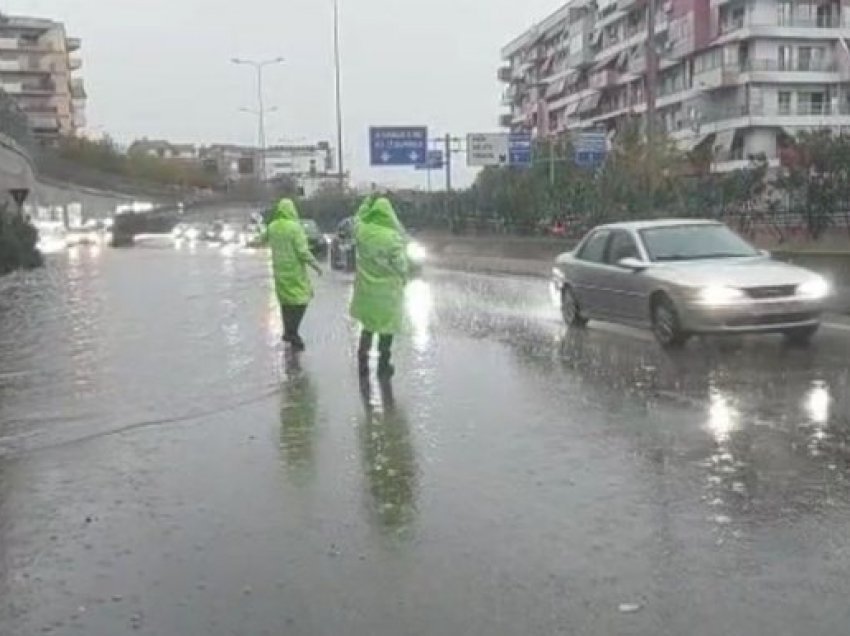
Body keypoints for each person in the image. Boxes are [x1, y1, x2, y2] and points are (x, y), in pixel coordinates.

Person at [351, 197, 408, 378]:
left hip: (366, 289)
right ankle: (383, 365)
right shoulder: (392, 238)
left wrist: (366, 203)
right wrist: (404, 279)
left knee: (367, 326)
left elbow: (357, 218)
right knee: (386, 329)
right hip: (388, 292)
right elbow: (401, 266)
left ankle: (363, 363)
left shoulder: (362, 231)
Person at [265, 198, 322, 351]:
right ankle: (293, 332)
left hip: (279, 272)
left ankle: (288, 331)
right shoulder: (295, 228)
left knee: (286, 303)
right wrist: (316, 266)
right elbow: (302, 251)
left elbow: (262, 238)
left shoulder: (272, 227)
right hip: (295, 272)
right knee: (301, 301)